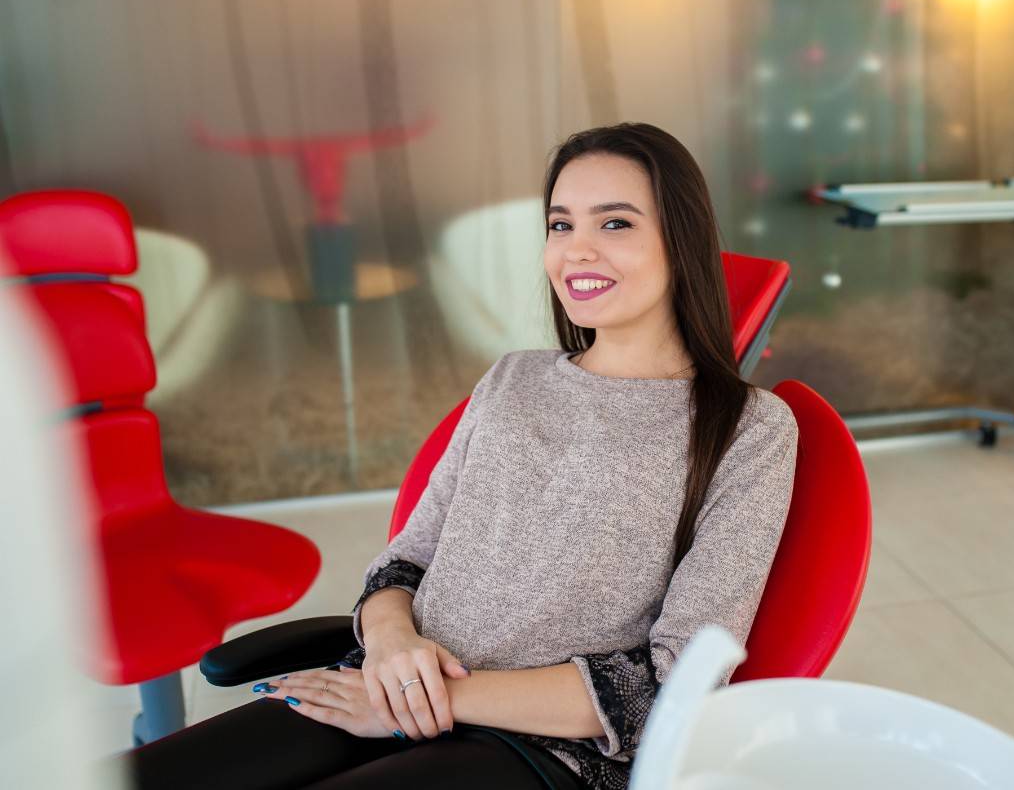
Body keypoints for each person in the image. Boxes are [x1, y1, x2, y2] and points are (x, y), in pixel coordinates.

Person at [127, 122, 798, 790]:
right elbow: (404, 560)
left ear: (681, 241)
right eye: (560, 225)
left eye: (615, 224)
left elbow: (678, 681)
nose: (577, 252)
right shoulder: (512, 378)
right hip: (384, 680)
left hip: (543, 751)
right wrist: (390, 644)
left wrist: (434, 701)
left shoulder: (749, 428)